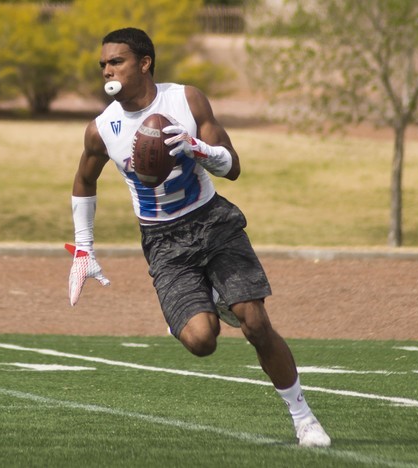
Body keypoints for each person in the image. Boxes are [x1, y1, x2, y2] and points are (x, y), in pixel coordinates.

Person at [67, 27, 330, 448]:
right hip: (163, 241)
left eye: (115, 61)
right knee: (201, 341)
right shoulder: (102, 129)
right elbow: (83, 180)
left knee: (256, 322)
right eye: (103, 64)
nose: (107, 70)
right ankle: (211, 306)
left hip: (212, 222)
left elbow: (233, 167)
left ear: (144, 63)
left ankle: (304, 419)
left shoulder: (185, 99)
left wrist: (197, 149)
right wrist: (84, 247)